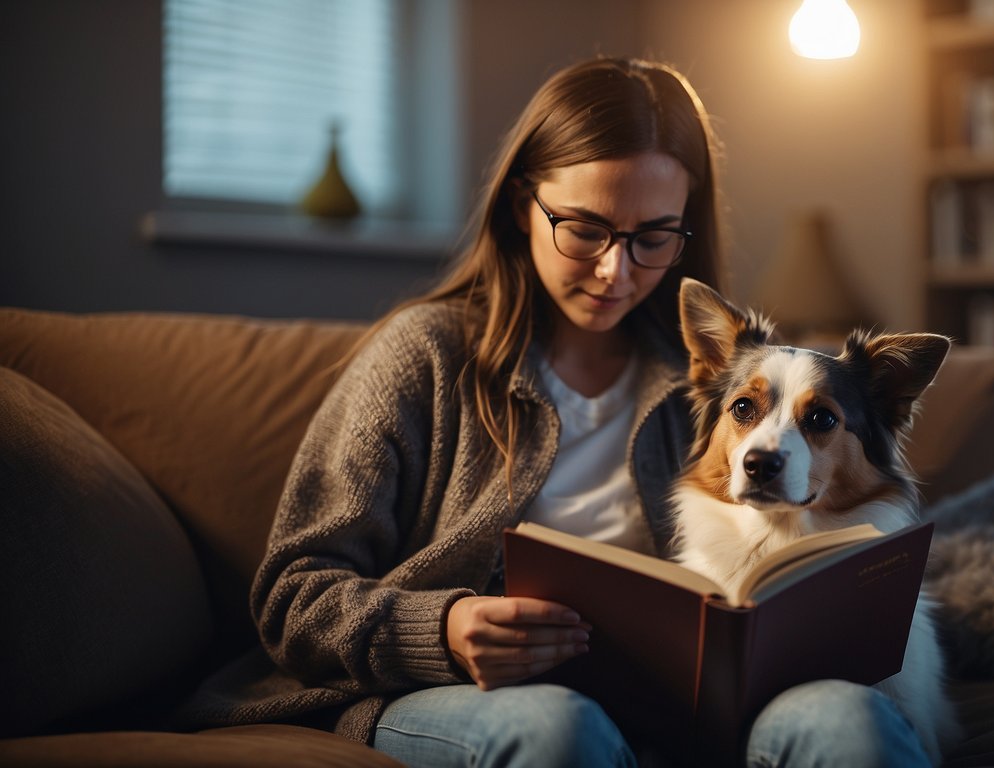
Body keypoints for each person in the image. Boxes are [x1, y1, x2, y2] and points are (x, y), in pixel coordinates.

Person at [191, 57, 931, 768]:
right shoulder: (423, 356)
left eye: (653, 238)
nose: (617, 272)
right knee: (560, 731)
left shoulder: (705, 382)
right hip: (450, 693)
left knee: (852, 725)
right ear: (524, 206)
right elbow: (292, 594)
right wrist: (442, 628)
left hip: (661, 701)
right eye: (584, 229)